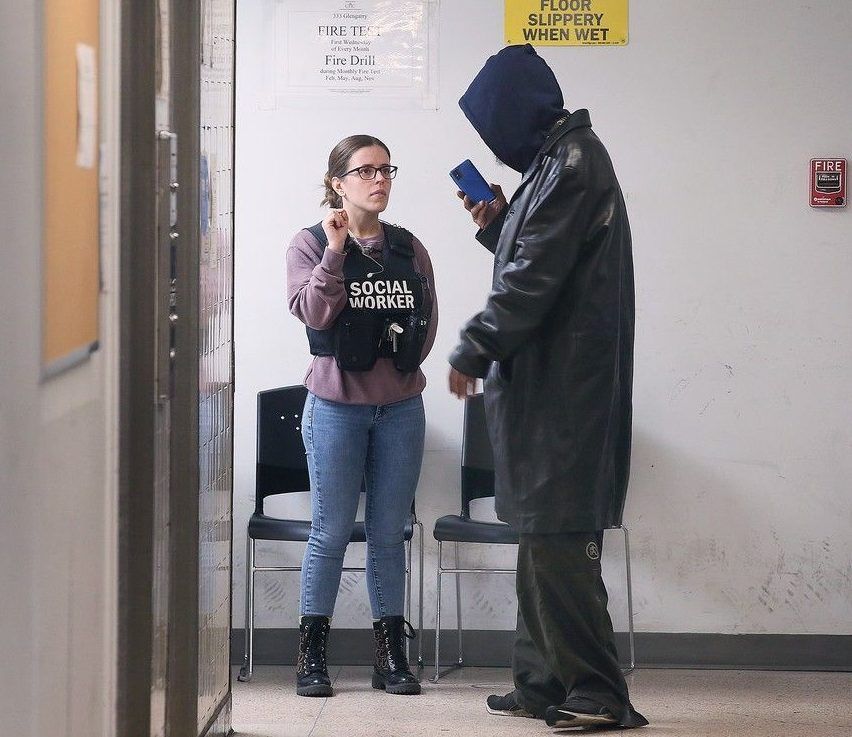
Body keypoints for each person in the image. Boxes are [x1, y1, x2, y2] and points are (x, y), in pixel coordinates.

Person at [447, 45, 648, 729]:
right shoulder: (556, 162)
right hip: (549, 389)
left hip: (567, 394)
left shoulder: (574, 164)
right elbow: (544, 258)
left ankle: (597, 690)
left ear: (514, 112)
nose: (493, 145)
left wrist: (474, 347)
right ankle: (541, 681)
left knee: (559, 541)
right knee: (541, 538)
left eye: (493, 127)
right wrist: (498, 226)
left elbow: (533, 279)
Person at [286, 134, 437, 697]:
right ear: (338, 182)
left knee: (389, 534)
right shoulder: (308, 243)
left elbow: (427, 319)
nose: (380, 180)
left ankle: (390, 658)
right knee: (329, 532)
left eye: (387, 170)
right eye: (367, 170)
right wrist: (334, 252)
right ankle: (311, 657)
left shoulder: (408, 247)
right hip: (336, 408)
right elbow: (312, 312)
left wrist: (400, 367)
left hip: (400, 407)